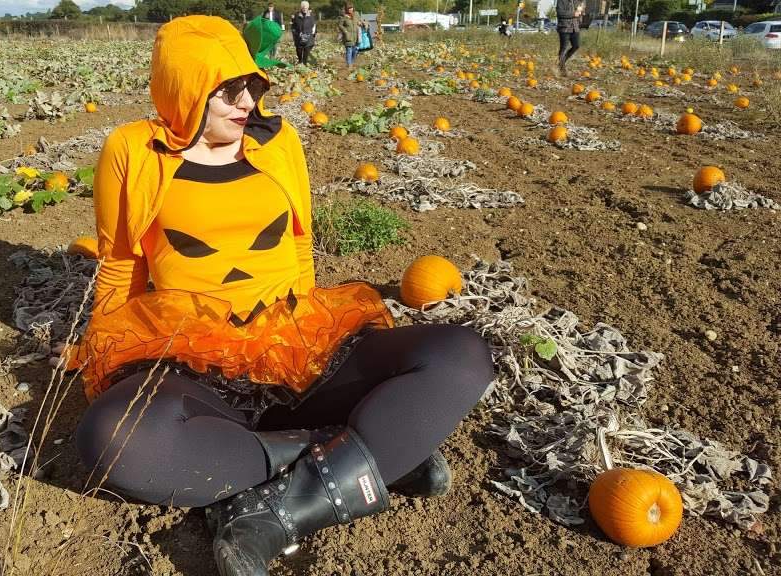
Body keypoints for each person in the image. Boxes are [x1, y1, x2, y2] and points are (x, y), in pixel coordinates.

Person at [68, 15, 494, 576]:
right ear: (185, 87)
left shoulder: (277, 140)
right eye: (227, 89)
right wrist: (100, 344)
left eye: (252, 85)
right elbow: (121, 264)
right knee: (110, 437)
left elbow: (299, 246)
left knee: (460, 356)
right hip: (189, 353)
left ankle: (269, 508)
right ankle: (351, 453)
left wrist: (306, 343)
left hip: (292, 334)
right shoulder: (133, 150)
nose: (246, 100)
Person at [556, 0, 586, 76]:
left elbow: (579, 12)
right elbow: (560, 13)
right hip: (564, 27)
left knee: (576, 46)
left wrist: (582, 10)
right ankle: (562, 68)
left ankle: (561, 61)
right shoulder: (561, 1)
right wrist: (573, 14)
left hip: (575, 28)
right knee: (563, 48)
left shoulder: (576, 1)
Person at [337, 3, 368, 68]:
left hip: (356, 36)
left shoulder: (356, 14)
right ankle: (349, 65)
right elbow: (340, 25)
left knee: (355, 51)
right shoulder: (343, 16)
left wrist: (363, 23)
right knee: (349, 50)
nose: (350, 9)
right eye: (349, 8)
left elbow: (360, 21)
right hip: (348, 36)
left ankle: (351, 62)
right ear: (346, 9)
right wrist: (345, 31)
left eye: (351, 8)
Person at [291, 1, 317, 65]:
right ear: (301, 7)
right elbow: (293, 25)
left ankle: (304, 63)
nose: (304, 8)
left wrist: (313, 33)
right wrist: (295, 33)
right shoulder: (297, 15)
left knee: (307, 50)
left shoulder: (311, 15)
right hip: (299, 36)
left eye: (306, 7)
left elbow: (314, 25)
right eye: (303, 7)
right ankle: (300, 60)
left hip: (308, 36)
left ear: (308, 7)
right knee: (299, 50)